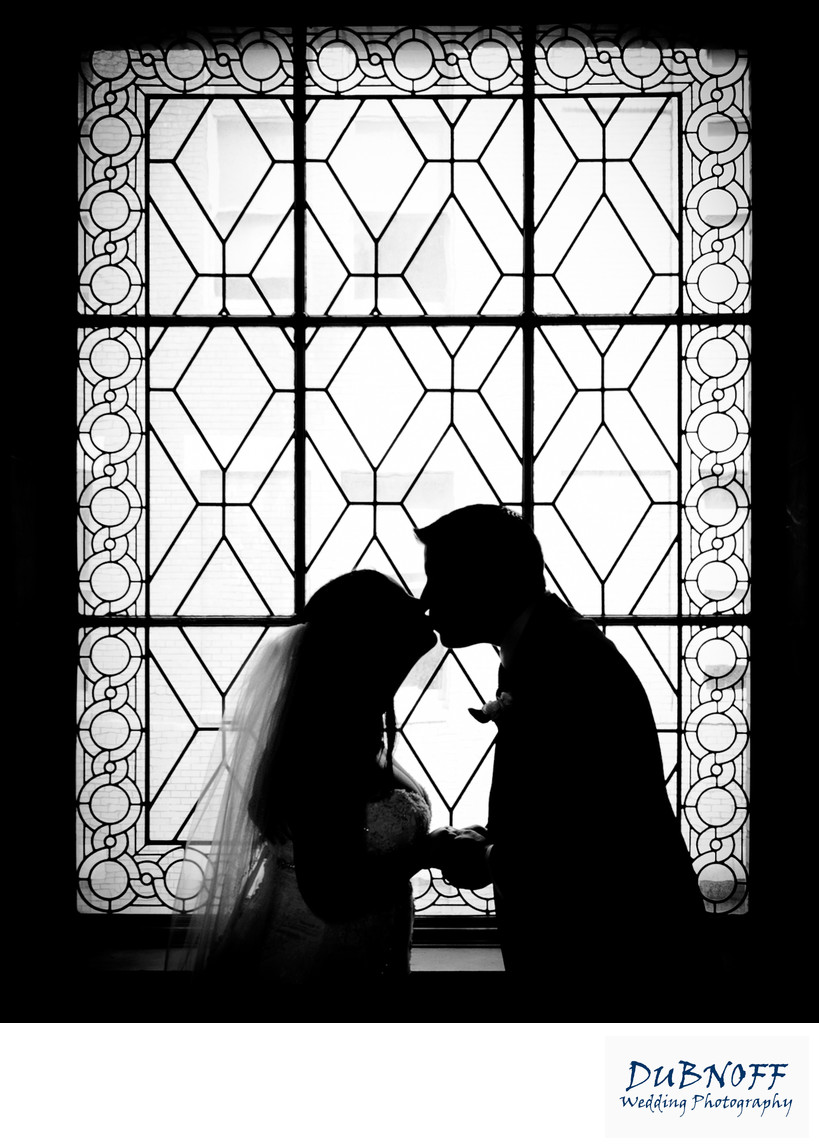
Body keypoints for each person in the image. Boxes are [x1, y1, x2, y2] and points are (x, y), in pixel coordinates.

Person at [416, 504, 704, 998]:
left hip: (615, 960)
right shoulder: (540, 649)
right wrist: (493, 837)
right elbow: (568, 801)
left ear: (488, 578)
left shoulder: (569, 665)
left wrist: (487, 858)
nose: (425, 600)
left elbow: (599, 842)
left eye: (438, 578)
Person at [172, 569, 437, 987]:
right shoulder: (327, 746)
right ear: (366, 644)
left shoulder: (358, 728)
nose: (421, 605)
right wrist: (428, 852)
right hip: (311, 966)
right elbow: (331, 896)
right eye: (400, 602)